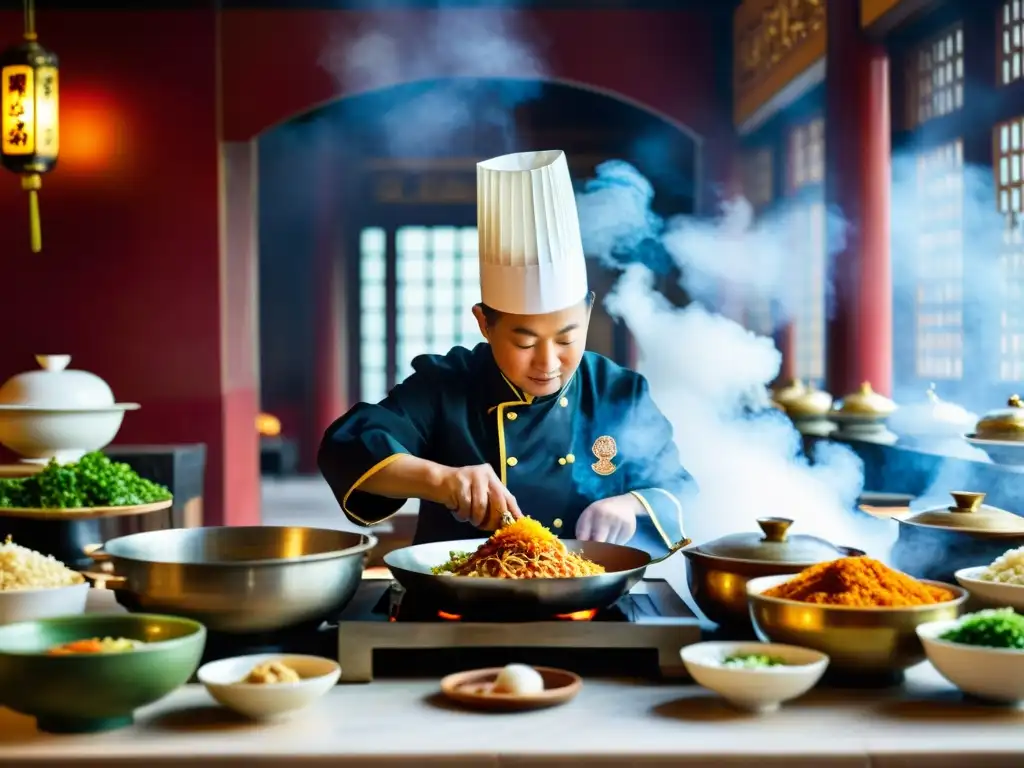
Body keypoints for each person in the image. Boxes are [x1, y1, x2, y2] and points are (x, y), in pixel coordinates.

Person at [318, 149, 695, 554]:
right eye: (525, 342)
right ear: (484, 322)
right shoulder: (446, 384)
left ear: (588, 311)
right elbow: (350, 445)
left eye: (567, 339)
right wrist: (442, 480)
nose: (549, 363)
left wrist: (631, 503)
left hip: (589, 592)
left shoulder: (619, 392)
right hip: (462, 596)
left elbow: (679, 489)